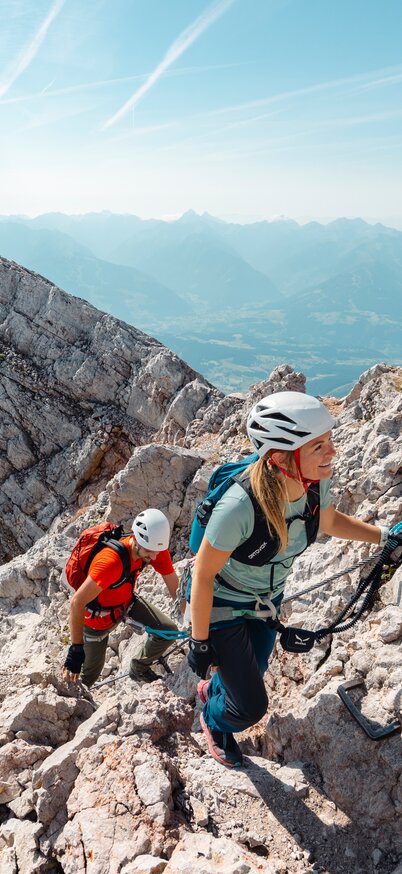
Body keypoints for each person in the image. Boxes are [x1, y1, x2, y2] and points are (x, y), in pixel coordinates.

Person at [187, 391, 401, 768]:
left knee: (255, 669)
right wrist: (200, 642)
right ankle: (214, 720)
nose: (332, 452)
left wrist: (385, 537)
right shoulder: (239, 506)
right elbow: (203, 576)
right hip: (222, 604)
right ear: (280, 458)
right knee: (250, 706)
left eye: (329, 441)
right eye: (318, 446)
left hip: (267, 600)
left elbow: (330, 521)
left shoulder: (313, 484)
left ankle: (212, 691)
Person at [63, 508, 180, 687]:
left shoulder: (154, 549)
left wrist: (196, 623)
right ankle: (76, 702)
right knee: (89, 677)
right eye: (150, 551)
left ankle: (139, 667)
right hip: (97, 621)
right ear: (137, 539)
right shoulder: (110, 563)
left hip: (125, 603)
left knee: (169, 631)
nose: (154, 557)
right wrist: (75, 651)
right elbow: (77, 603)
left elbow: (175, 589)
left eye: (158, 551)